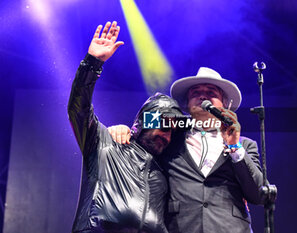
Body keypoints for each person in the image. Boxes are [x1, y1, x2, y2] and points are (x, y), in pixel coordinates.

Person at [109, 67, 264, 233]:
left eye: (211, 92)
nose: (203, 96)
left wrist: (234, 147)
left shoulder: (246, 145)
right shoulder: (171, 134)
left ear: (225, 104)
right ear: (186, 104)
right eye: (195, 92)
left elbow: (258, 195)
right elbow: (141, 128)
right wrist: (124, 129)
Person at [68, 21, 184, 233]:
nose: (166, 136)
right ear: (142, 123)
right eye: (162, 125)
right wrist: (92, 63)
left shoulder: (163, 174)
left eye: (171, 131)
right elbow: (79, 109)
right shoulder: (105, 143)